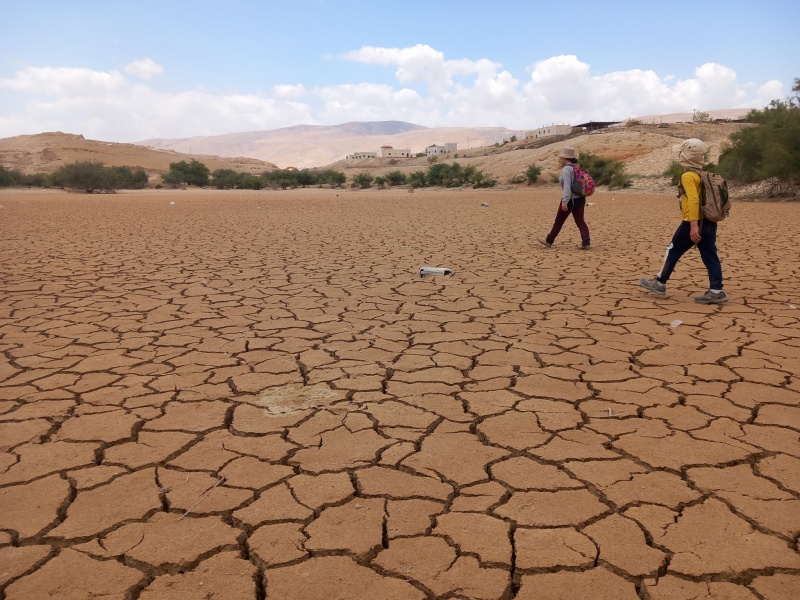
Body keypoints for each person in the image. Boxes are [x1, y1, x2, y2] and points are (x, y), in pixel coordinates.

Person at [639, 138, 727, 304]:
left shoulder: (688, 176)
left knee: (673, 250)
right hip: (709, 221)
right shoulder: (703, 174)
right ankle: (716, 290)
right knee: (710, 255)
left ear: (685, 156)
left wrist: (693, 226)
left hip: (693, 222)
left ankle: (659, 283)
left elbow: (693, 201)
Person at [538, 147, 591, 250]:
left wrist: (565, 201)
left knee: (559, 221)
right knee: (580, 221)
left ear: (565, 157)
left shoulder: (567, 169)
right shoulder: (578, 167)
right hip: (581, 198)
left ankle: (549, 241)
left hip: (570, 199)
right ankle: (586, 242)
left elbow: (567, 187)